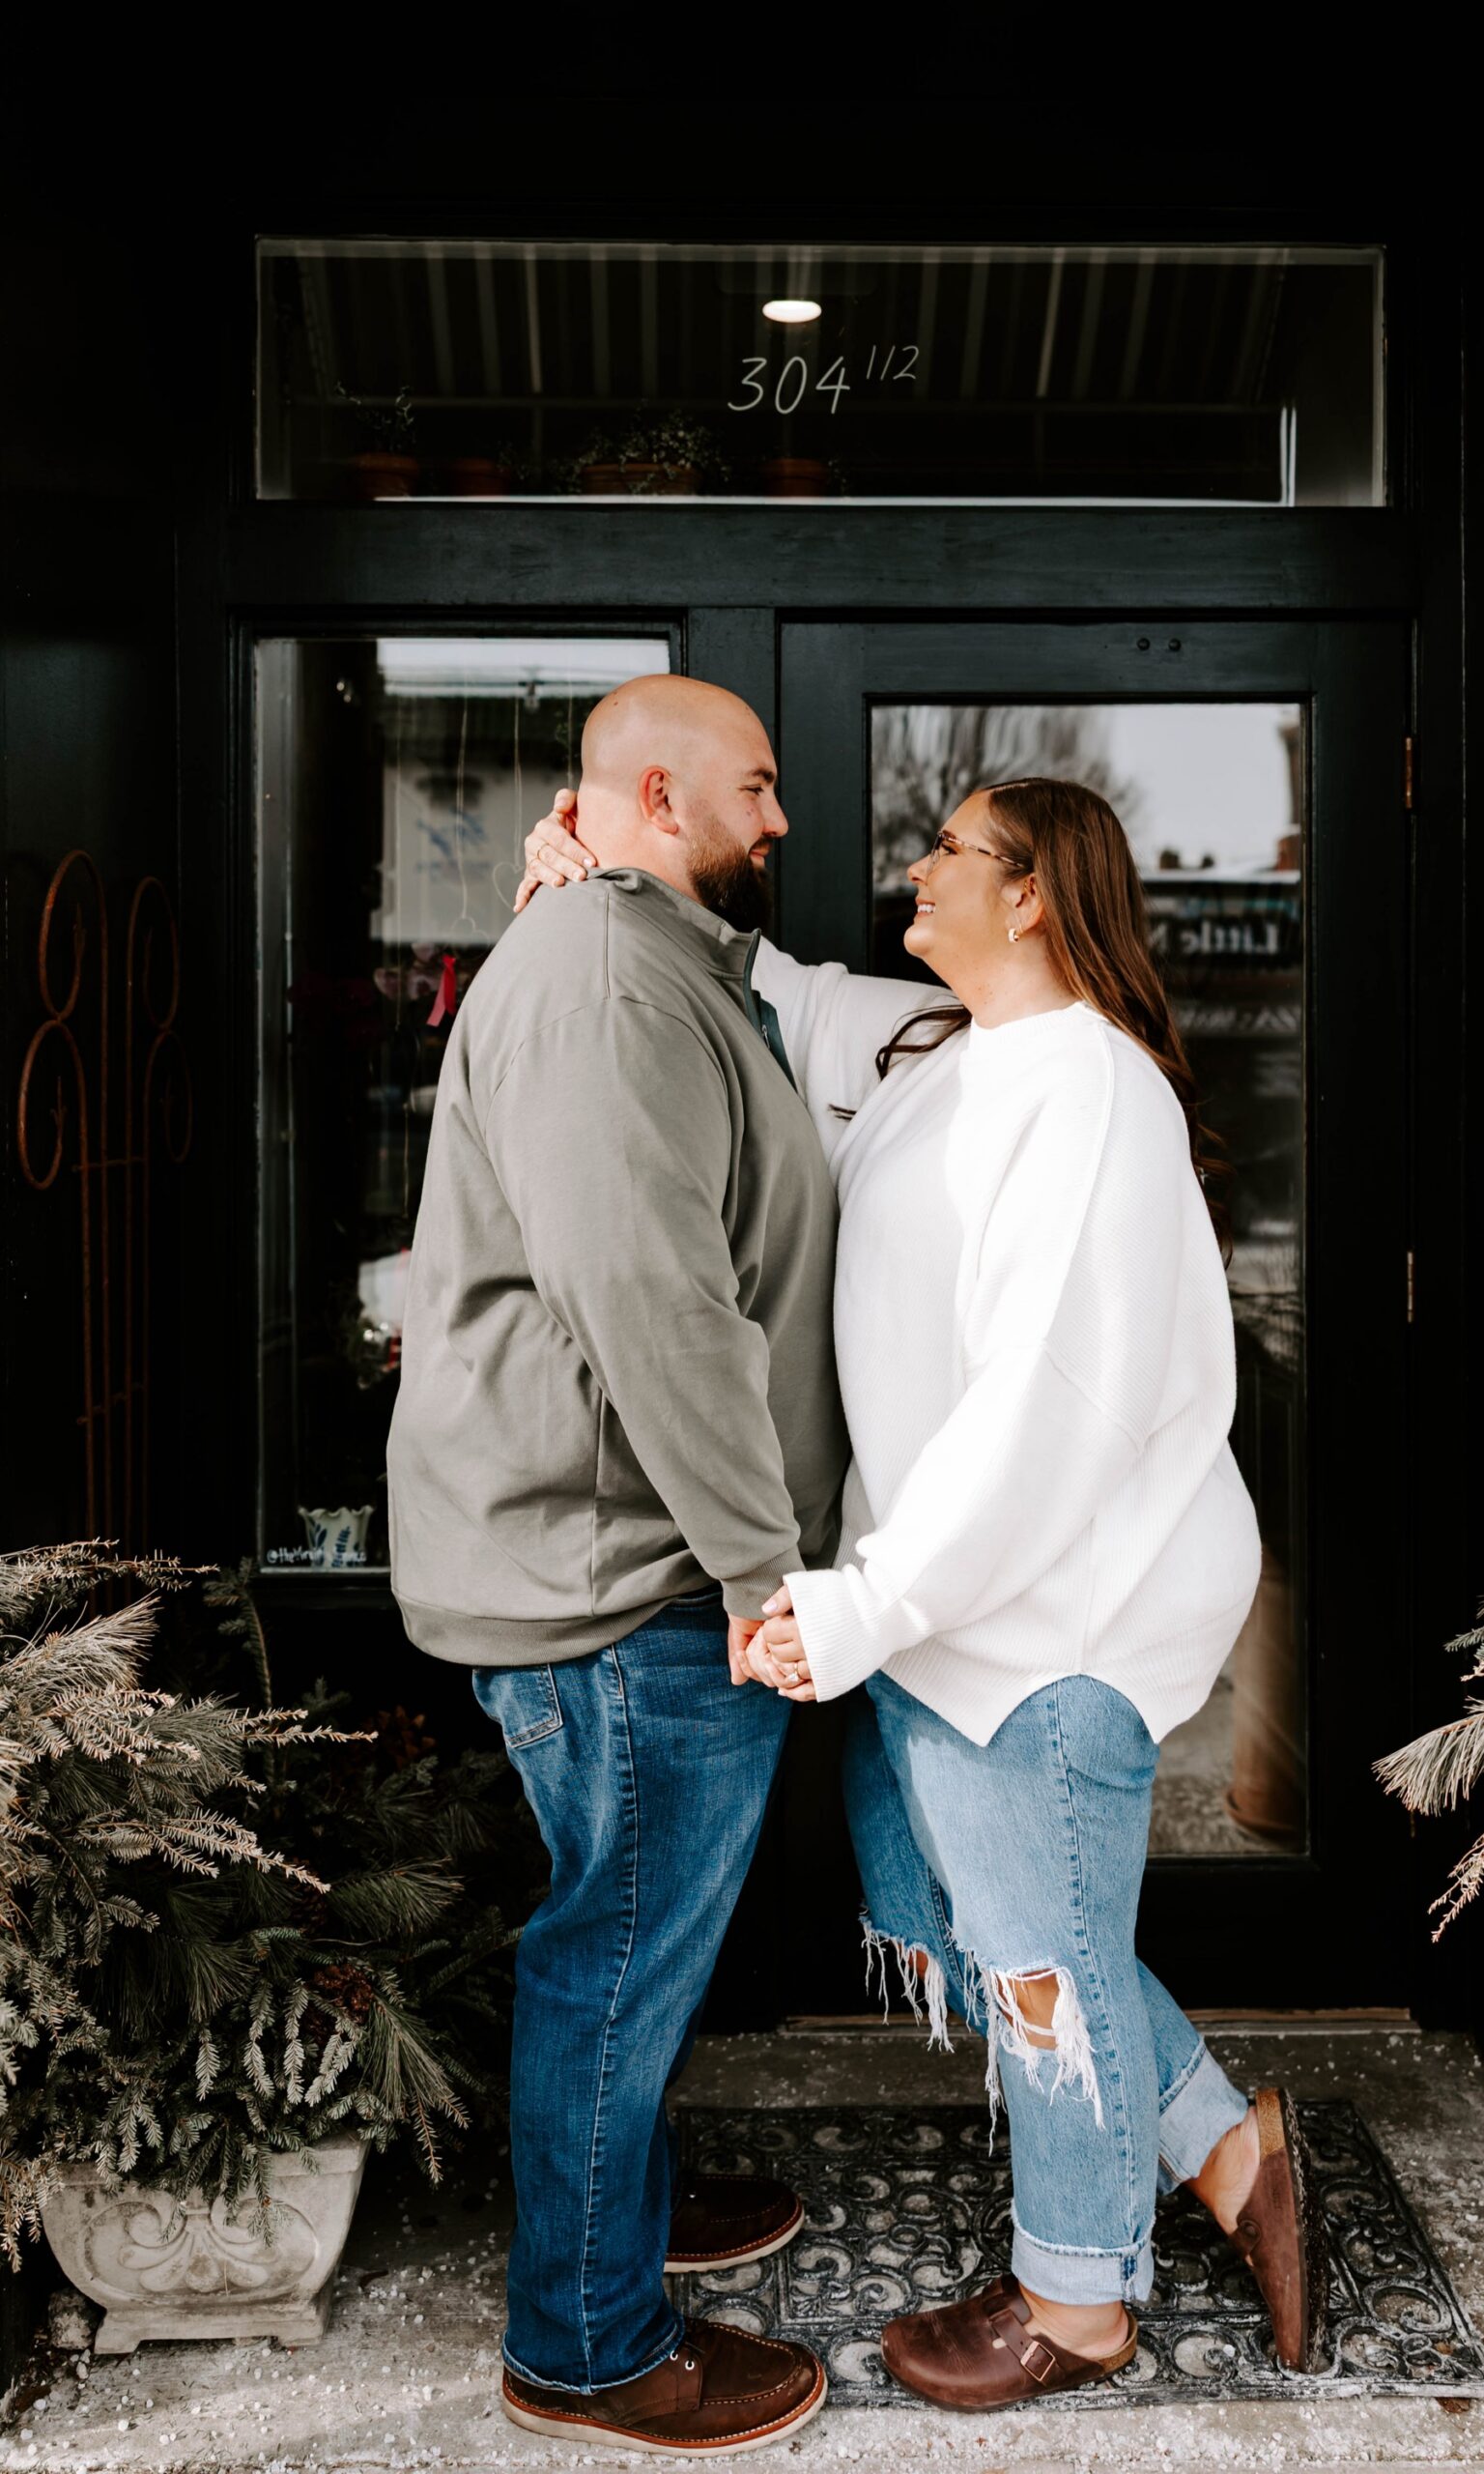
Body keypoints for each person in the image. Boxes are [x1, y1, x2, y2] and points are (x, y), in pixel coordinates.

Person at [522, 767, 1330, 2409]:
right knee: (995, 1931)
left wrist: (863, 1605)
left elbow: (1050, 1418)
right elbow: (763, 988)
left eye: (952, 850)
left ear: (1032, 893)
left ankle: (1080, 2303)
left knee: (1037, 1963)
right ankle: (1233, 2161)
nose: (917, 865)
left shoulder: (1092, 1095)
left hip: (1045, 1625)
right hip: (944, 1620)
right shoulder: (937, 1050)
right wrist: (599, 870)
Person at [388, 675, 841, 2456]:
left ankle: (621, 2204)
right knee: (618, 1952)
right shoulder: (594, 979)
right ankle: (583, 2341)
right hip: (628, 1582)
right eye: (759, 786)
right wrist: (758, 1575)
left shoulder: (641, 959)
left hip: (629, 1560)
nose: (782, 818)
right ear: (657, 794)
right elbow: (654, 1306)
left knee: (624, 1939)